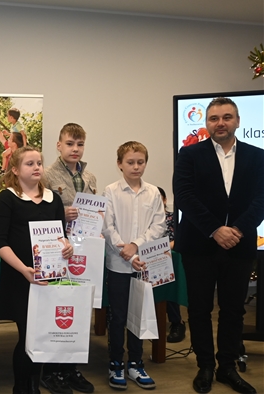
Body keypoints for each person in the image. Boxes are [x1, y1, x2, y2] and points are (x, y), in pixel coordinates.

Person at [173, 97, 264, 394]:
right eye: (214, 118)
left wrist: (235, 230)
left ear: (237, 121)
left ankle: (227, 367)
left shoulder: (258, 156)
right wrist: (215, 230)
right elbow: (184, 196)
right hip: (199, 245)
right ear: (206, 123)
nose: (220, 123)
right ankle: (205, 367)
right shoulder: (189, 154)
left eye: (226, 117)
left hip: (240, 244)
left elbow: (261, 199)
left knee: (233, 310)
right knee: (199, 309)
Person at [0, 146, 74, 394]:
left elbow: (61, 235)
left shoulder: (53, 199)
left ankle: (33, 384)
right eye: (30, 163)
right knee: (28, 335)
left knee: (42, 334)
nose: (37, 167)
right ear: (15, 170)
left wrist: (67, 246)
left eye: (39, 163)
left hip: (49, 279)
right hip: (21, 278)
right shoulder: (5, 199)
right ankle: (22, 387)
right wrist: (24, 270)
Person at [102, 141, 165, 391]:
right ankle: (116, 363)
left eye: (140, 162)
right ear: (120, 164)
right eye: (130, 162)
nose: (136, 166)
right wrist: (126, 252)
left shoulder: (153, 193)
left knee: (139, 315)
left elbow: (158, 226)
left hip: (144, 264)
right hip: (118, 264)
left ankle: (136, 363)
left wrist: (136, 245)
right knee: (118, 316)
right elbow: (108, 227)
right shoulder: (110, 191)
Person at [41, 123, 97, 394]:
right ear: (59, 145)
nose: (75, 149)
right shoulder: (46, 175)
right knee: (57, 309)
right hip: (58, 250)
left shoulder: (90, 177)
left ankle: (70, 368)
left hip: (84, 252)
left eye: (80, 144)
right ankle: (51, 371)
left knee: (78, 308)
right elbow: (38, 213)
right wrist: (61, 214)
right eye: (70, 144)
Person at [157, 186, 186, 344]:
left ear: (165, 200)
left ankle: (177, 322)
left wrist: (164, 248)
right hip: (143, 258)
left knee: (168, 285)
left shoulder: (173, 217)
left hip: (167, 258)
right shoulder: (143, 219)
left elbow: (179, 239)